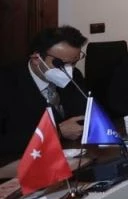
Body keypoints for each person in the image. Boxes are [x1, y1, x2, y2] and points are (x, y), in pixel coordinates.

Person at [0, 26, 88, 164]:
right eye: (61, 64)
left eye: (74, 63)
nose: (69, 70)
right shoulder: (6, 83)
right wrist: (57, 131)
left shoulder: (74, 76)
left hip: (70, 157)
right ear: (37, 58)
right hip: (22, 162)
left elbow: (84, 115)